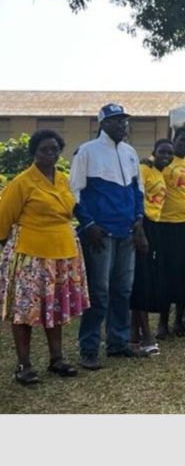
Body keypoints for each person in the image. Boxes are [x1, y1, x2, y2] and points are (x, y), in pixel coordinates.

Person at [0, 130, 88, 384]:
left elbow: (71, 208)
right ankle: (23, 365)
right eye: (43, 150)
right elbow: (4, 218)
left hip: (62, 253)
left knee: (55, 307)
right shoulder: (22, 182)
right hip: (31, 256)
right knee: (24, 311)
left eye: (54, 150)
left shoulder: (63, 179)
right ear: (34, 152)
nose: (50, 155)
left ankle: (57, 359)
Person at [69, 103, 147, 369]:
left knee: (122, 290)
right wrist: (88, 224)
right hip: (100, 234)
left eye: (123, 121)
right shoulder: (86, 151)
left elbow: (138, 190)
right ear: (102, 124)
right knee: (99, 293)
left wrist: (139, 221)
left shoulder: (130, 152)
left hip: (127, 233)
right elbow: (75, 193)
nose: (121, 126)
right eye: (115, 121)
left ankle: (118, 343)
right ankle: (89, 348)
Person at [130, 138, 175, 357]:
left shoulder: (159, 173)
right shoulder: (144, 170)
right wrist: (140, 232)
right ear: (154, 152)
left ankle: (133, 334)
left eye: (170, 153)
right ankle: (146, 335)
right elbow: (136, 199)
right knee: (141, 282)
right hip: (143, 225)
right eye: (162, 152)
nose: (166, 156)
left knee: (144, 279)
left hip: (155, 225)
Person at [156, 126, 185, 339]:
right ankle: (162, 323)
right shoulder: (163, 161)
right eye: (182, 141)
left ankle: (179, 321)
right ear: (174, 140)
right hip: (167, 224)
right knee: (166, 274)